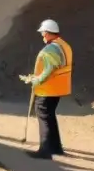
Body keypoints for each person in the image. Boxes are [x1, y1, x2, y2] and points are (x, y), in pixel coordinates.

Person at [19, 19, 73, 160]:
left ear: (49, 33)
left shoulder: (51, 49)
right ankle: (55, 148)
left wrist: (37, 79)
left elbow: (50, 68)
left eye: (43, 33)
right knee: (49, 115)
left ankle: (45, 150)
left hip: (48, 88)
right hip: (58, 88)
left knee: (43, 115)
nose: (42, 36)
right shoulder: (64, 45)